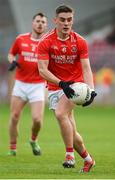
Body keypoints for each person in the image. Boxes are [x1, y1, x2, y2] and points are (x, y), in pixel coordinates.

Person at [37, 5, 97, 172]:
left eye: (69, 19)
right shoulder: (46, 42)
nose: (66, 23)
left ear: (73, 20)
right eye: (62, 20)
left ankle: (69, 156)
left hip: (75, 86)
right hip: (56, 86)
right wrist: (61, 83)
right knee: (71, 130)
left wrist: (91, 90)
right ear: (55, 20)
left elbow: (86, 68)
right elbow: (42, 70)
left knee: (60, 113)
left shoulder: (80, 42)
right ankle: (88, 159)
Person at [8, 12, 47, 156]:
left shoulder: (47, 42)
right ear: (32, 23)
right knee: (14, 116)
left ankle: (33, 140)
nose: (40, 24)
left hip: (37, 85)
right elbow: (11, 53)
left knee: (37, 120)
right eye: (38, 21)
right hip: (21, 84)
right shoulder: (21, 39)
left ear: (46, 25)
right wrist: (12, 60)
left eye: (43, 22)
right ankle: (13, 148)